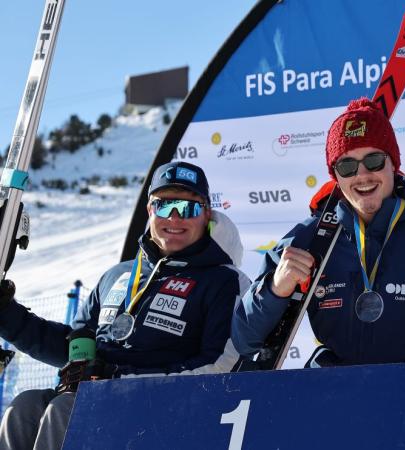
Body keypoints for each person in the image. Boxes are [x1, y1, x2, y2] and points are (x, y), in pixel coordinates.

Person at [232, 98, 405, 398]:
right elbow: (245, 339)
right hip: (338, 396)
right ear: (335, 176)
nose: (361, 175)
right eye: (347, 166)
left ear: (393, 164)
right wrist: (275, 289)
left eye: (374, 161)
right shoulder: (313, 238)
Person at [0, 161, 250, 450]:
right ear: (150, 210)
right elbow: (76, 348)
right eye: (165, 206)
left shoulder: (223, 281)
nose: (175, 217)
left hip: (168, 411)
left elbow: (220, 366)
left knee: (67, 412)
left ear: (206, 213)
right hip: (98, 400)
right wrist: (6, 314)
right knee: (26, 406)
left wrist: (118, 380)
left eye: (188, 208)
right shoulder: (118, 275)